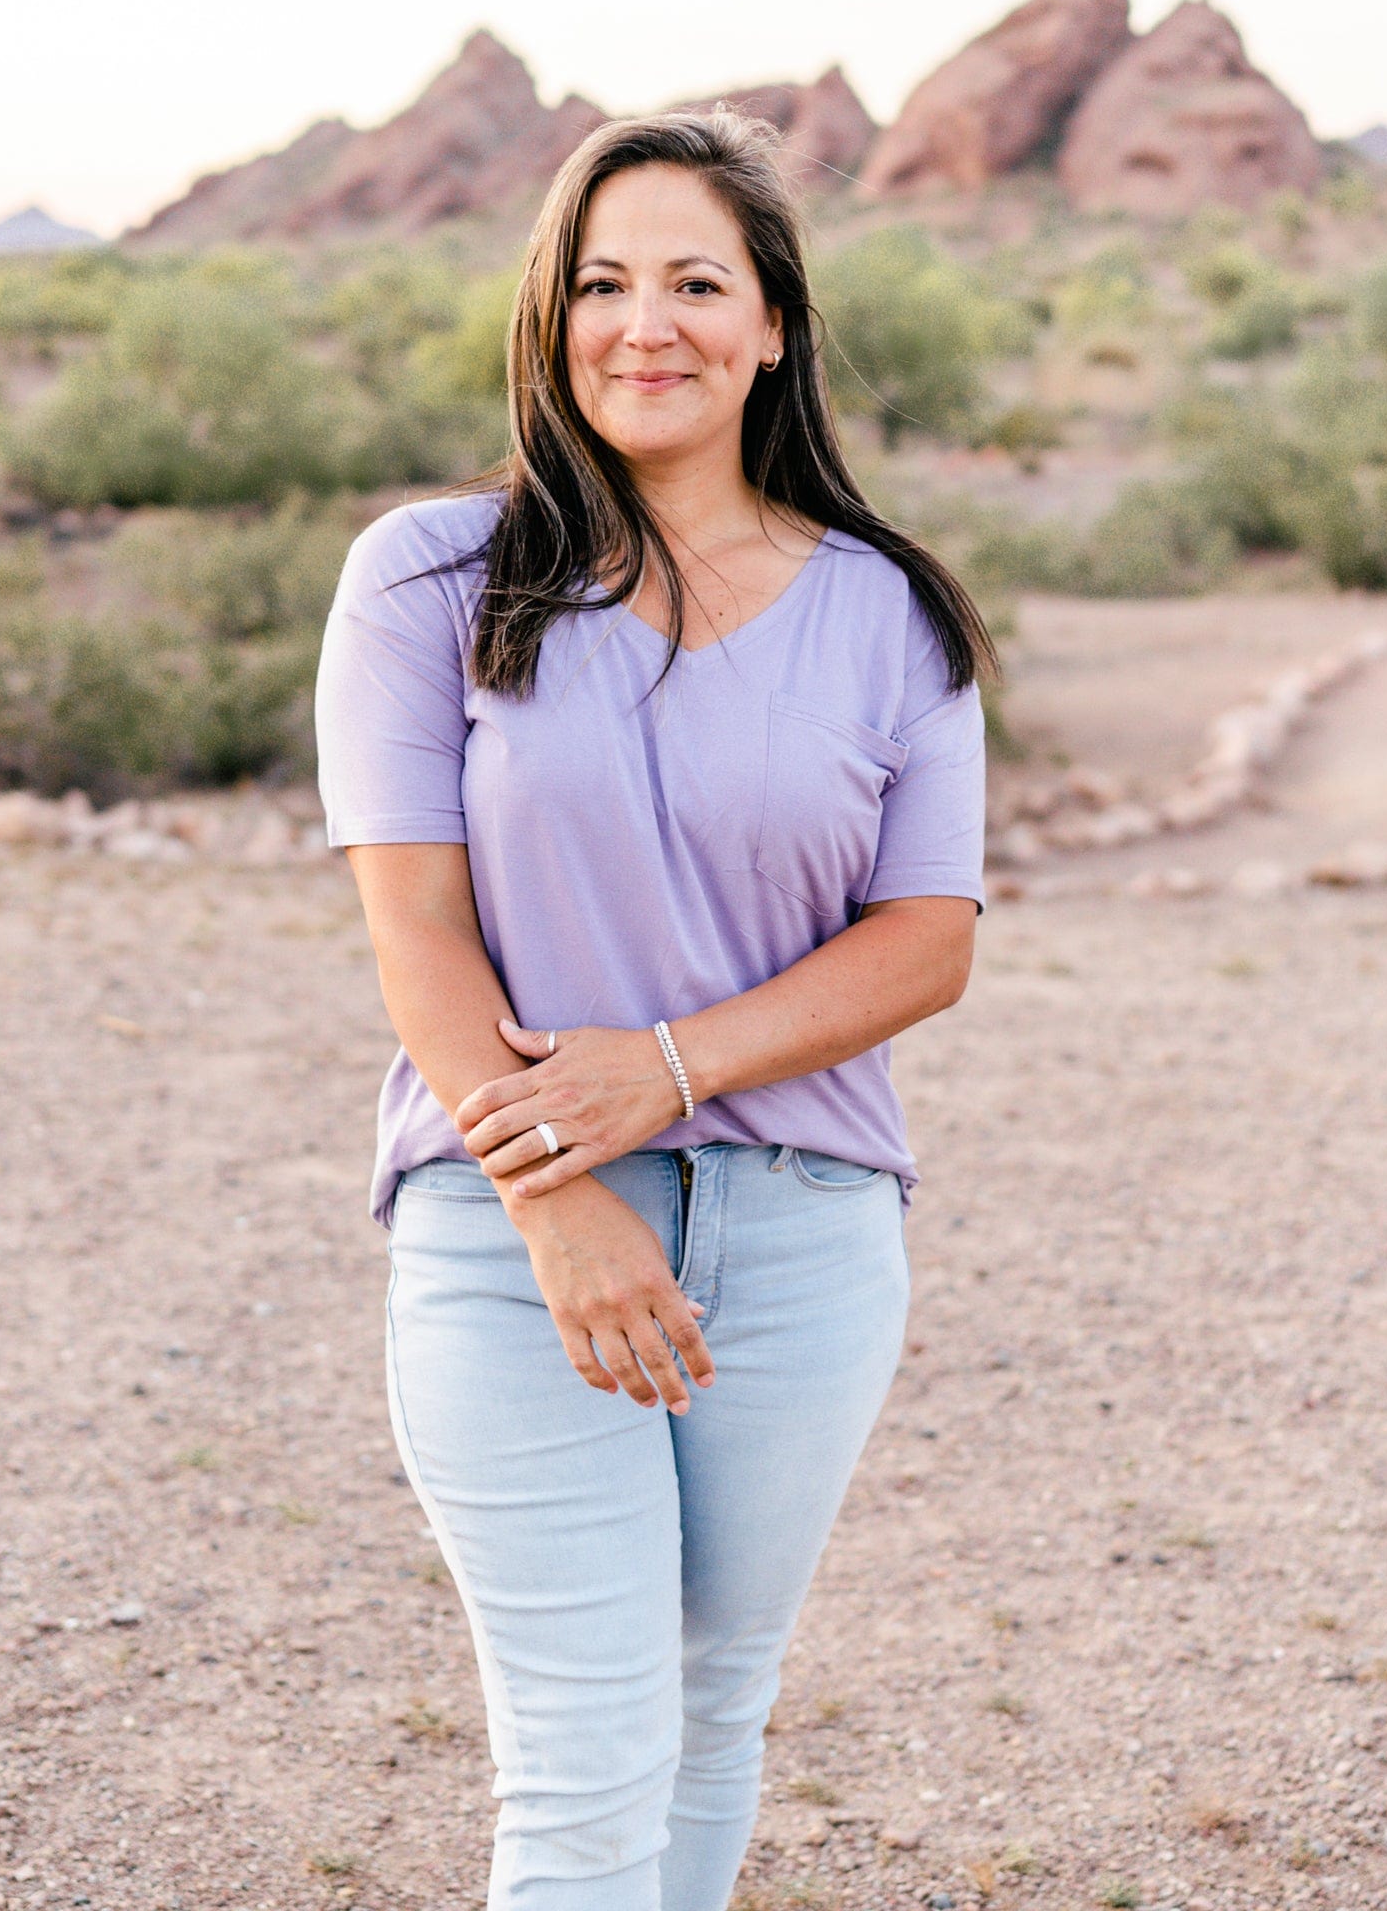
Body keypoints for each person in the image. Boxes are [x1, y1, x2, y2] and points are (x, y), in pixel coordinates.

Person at [312, 106, 993, 1911]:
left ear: (773, 325)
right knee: (587, 1753)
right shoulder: (430, 580)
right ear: (553, 321)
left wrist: (672, 1071)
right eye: (603, 283)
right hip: (505, 1219)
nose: (647, 324)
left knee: (711, 1706)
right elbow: (418, 928)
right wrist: (558, 1198)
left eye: (696, 281)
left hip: (808, 1231)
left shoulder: (890, 615)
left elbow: (929, 939)